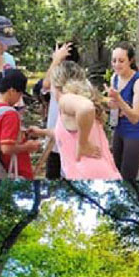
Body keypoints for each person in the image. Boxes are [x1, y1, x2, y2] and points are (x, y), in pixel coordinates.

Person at [50, 61, 121, 180]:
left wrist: (82, 144)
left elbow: (86, 108)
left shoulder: (64, 99)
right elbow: (70, 136)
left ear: (56, 84)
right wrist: (41, 132)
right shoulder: (76, 101)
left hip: (86, 173)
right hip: (101, 171)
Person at [0, 69, 41, 179]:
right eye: (20, 94)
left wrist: (22, 133)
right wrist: (28, 146)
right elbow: (6, 148)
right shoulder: (9, 114)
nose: (20, 99)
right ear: (11, 91)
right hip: (14, 172)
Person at [106, 42, 139, 180]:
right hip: (118, 129)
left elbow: (135, 117)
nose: (117, 64)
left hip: (135, 133)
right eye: (114, 61)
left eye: (121, 61)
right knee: (116, 171)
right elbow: (115, 106)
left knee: (128, 175)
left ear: (130, 60)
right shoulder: (115, 78)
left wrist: (119, 100)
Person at [41, 42, 80, 179]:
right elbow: (45, 86)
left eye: (57, 54)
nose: (54, 56)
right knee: (52, 174)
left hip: (70, 142)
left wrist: (56, 60)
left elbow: (45, 84)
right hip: (54, 141)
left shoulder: (76, 82)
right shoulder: (56, 77)